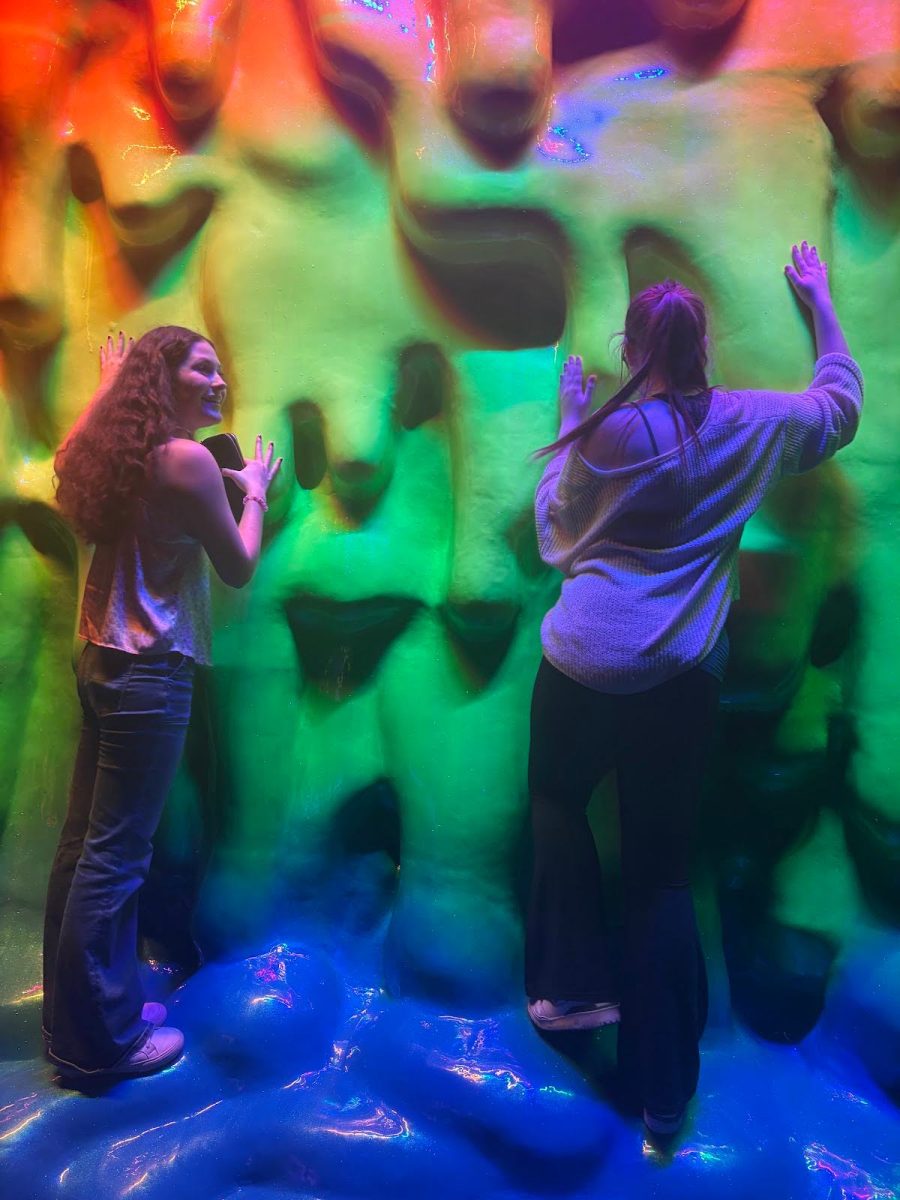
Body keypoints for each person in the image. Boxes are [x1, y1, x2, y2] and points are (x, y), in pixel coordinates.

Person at [526, 243, 863, 1135]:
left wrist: (569, 414)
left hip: (579, 664)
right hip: (676, 679)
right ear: (703, 343)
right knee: (662, 876)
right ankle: (666, 1096)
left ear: (631, 346)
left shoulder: (606, 433)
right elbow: (840, 405)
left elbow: (554, 538)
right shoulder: (751, 422)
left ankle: (571, 993)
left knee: (558, 806)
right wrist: (822, 301)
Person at [43, 326, 282, 1080]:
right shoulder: (184, 459)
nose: (219, 383)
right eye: (203, 369)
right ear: (164, 378)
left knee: (86, 849)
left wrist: (109, 384)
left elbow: (65, 457)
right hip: (149, 673)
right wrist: (258, 493)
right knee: (115, 859)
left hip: (100, 659)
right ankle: (102, 1044)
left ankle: (78, 1017)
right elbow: (238, 566)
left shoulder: (112, 455)